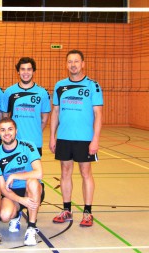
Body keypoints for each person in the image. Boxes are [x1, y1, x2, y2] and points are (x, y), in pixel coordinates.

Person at [49, 49, 103, 227]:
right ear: (66, 64)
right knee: (65, 172)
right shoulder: (60, 85)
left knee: (85, 173)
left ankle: (87, 212)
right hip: (64, 137)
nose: (73, 64)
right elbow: (55, 112)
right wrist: (52, 136)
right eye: (70, 61)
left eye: (76, 61)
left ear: (83, 64)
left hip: (85, 138)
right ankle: (67, 210)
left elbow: (98, 114)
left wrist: (95, 139)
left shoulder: (93, 85)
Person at [0, 117, 44, 246]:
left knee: (32, 182)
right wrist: (21, 201)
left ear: (16, 131)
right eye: (3, 130)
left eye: (10, 129)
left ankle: (31, 227)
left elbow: (39, 173)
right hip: (12, 193)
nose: (7, 133)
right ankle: (16, 215)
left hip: (30, 189)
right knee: (4, 215)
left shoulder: (28, 145)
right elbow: (3, 188)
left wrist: (15, 175)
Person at [0, 57, 51, 156]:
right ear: (18, 72)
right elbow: (5, 118)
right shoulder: (9, 92)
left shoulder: (42, 93)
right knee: (14, 171)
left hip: (34, 142)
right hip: (13, 142)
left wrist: (35, 131)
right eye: (22, 69)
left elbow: (45, 119)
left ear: (33, 71)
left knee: (34, 171)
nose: (26, 72)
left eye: (29, 69)